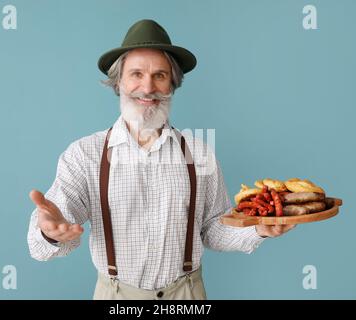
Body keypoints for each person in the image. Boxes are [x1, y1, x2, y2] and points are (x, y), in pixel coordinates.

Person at [27, 19, 295, 300]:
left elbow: (213, 229)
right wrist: (50, 232)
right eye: (136, 74)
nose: (148, 87)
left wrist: (259, 230)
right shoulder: (85, 155)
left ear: (172, 84)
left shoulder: (199, 152)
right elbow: (45, 240)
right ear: (119, 81)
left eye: (159, 75)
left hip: (188, 296)